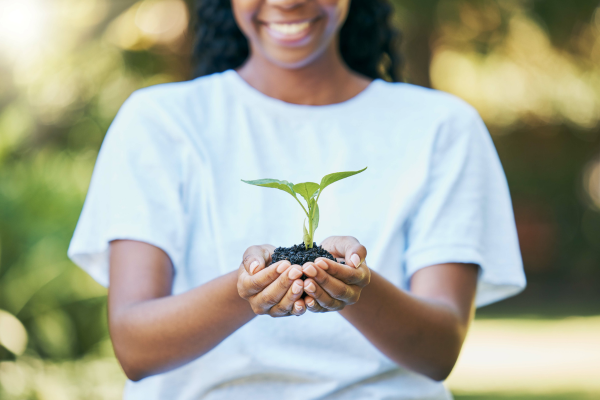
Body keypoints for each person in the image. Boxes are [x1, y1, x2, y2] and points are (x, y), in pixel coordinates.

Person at [68, 0, 526, 399]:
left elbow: (439, 349)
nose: (287, 0)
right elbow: (134, 346)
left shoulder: (443, 126)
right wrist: (244, 290)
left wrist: (355, 286)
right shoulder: (158, 122)